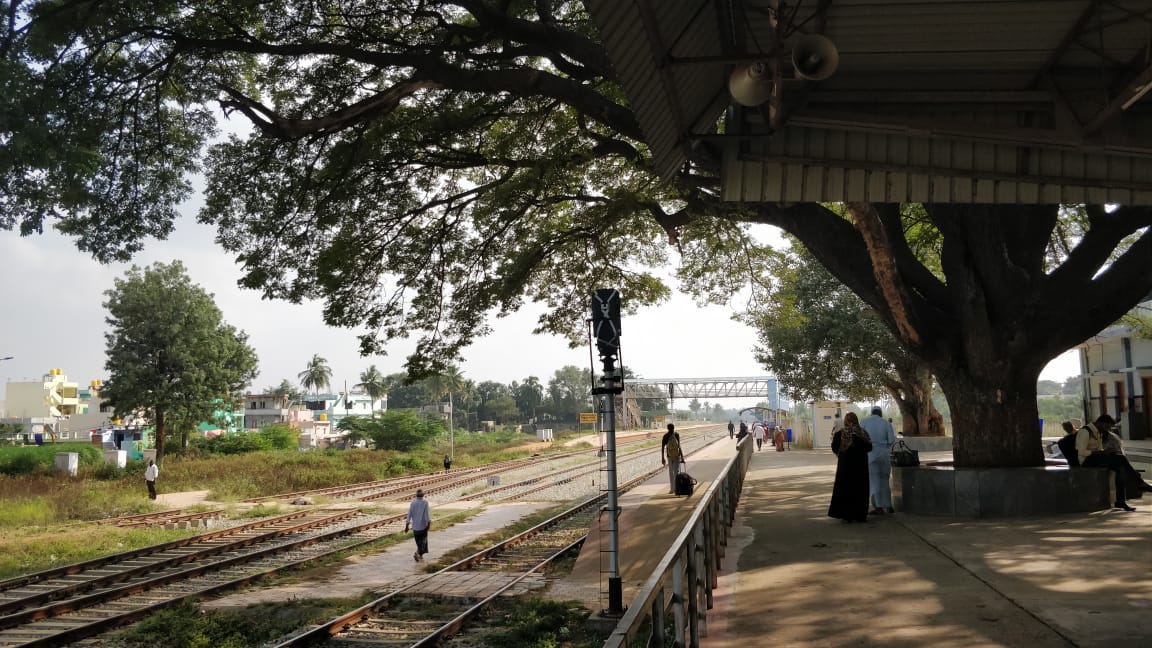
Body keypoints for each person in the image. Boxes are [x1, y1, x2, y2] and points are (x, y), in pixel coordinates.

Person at [1076, 415, 1152, 511]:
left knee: (1120, 469)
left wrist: (1106, 451)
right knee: (1121, 459)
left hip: (1096, 457)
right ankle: (1140, 483)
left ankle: (1120, 501)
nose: (1107, 429)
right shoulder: (1085, 432)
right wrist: (1101, 452)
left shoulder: (1098, 432)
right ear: (1100, 423)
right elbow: (1081, 452)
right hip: (1086, 460)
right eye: (1107, 426)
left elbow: (1098, 449)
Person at [828, 412, 872, 523]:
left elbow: (834, 447)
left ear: (845, 421)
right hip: (860, 467)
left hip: (845, 466)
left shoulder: (840, 434)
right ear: (856, 420)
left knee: (845, 488)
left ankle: (846, 515)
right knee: (860, 489)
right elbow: (869, 447)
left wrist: (841, 453)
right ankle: (860, 515)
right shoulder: (862, 433)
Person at [860, 406, 897, 514]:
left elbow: (860, 438)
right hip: (884, 454)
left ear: (872, 413)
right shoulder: (886, 423)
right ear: (880, 413)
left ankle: (878, 507)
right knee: (885, 480)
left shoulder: (864, 422)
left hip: (870, 454)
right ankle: (888, 505)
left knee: (874, 482)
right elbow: (891, 440)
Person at [404, 488, 432, 561]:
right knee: (423, 542)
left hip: (415, 528)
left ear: (416, 495)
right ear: (423, 495)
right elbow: (426, 515)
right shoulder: (425, 502)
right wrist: (428, 523)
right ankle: (417, 553)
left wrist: (407, 526)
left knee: (419, 543)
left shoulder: (413, 503)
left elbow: (409, 514)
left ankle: (420, 555)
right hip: (423, 527)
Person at [661, 423, 684, 494]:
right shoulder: (676, 434)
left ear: (667, 428)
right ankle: (677, 488)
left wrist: (662, 458)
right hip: (676, 456)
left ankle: (672, 489)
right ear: (674, 428)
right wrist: (682, 456)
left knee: (671, 472)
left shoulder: (665, 436)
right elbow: (679, 446)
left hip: (669, 456)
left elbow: (662, 447)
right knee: (676, 472)